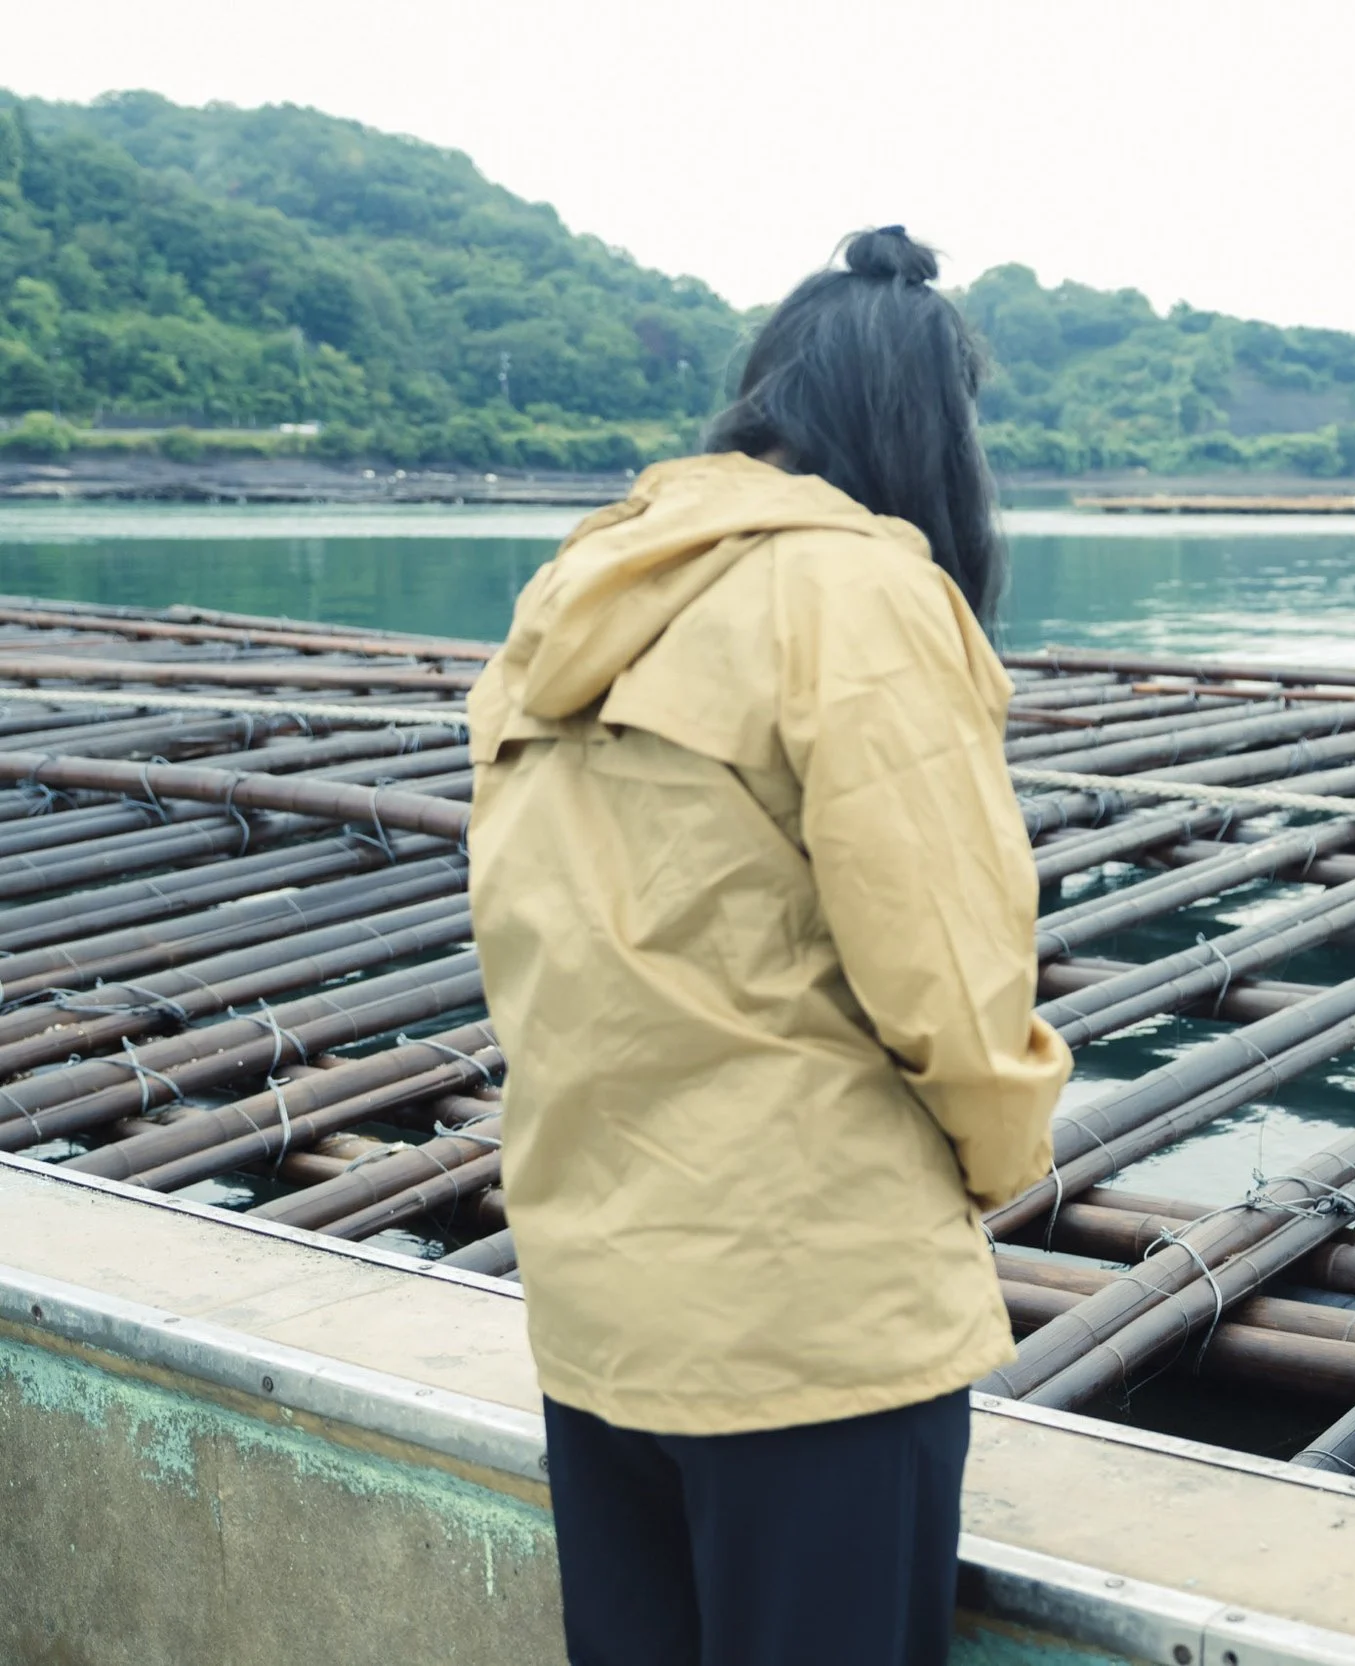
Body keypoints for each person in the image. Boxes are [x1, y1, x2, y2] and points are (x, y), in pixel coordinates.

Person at [467, 226, 1071, 1666]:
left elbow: (525, 929)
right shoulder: (856, 595)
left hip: (599, 1294)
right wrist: (998, 1159)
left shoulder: (577, 591)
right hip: (811, 1314)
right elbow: (949, 967)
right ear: (929, 427)